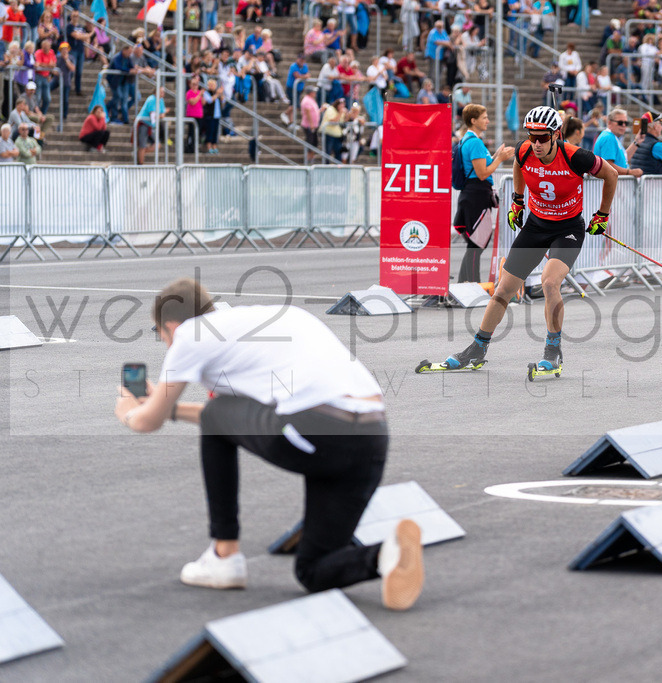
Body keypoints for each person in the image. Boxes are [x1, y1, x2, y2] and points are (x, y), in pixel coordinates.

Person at [113, 278, 424, 609]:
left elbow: (152, 421)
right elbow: (237, 418)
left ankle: (224, 555)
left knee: (217, 414)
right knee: (313, 570)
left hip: (314, 428)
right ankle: (388, 554)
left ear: (170, 326)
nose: (167, 345)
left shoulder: (190, 334)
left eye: (161, 336)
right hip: (370, 437)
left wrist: (129, 413)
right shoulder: (277, 318)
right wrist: (170, 408)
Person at [439, 106, 618, 374]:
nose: (536, 144)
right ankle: (477, 347)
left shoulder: (575, 156)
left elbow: (611, 174)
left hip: (567, 228)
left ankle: (553, 350)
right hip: (536, 225)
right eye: (531, 136)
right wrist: (518, 201)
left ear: (556, 134)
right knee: (503, 289)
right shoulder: (525, 150)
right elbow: (518, 164)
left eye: (542, 137)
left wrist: (602, 214)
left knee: (549, 282)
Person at [454, 104, 514, 283]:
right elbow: (482, 173)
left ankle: (465, 284)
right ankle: (472, 284)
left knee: (475, 244)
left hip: (472, 195)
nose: (487, 121)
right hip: (476, 196)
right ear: (473, 120)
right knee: (477, 244)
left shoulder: (467, 140)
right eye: (484, 117)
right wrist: (500, 159)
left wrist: (495, 157)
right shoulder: (475, 142)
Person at [592, 107, 643, 177]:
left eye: (626, 123)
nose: (624, 125)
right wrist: (630, 172)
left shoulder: (612, 137)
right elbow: (608, 165)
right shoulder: (608, 138)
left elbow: (623, 158)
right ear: (609, 122)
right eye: (620, 123)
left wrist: (636, 142)